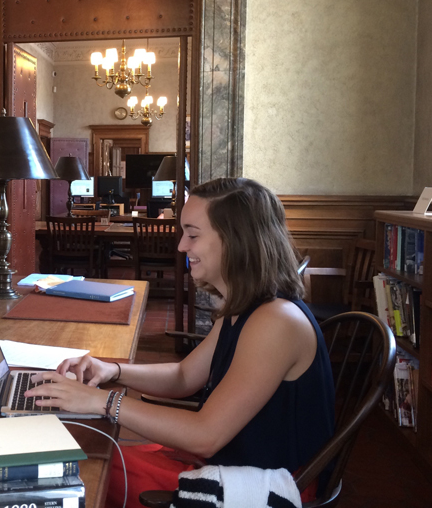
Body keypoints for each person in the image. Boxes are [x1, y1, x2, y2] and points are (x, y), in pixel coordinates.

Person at [24, 177, 335, 506]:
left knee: (74, 466)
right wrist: (111, 371)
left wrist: (99, 402)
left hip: (261, 484)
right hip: (230, 462)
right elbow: (185, 376)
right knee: (83, 448)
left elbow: (206, 436)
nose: (182, 247)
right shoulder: (248, 306)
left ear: (236, 240)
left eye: (193, 235)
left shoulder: (276, 322)